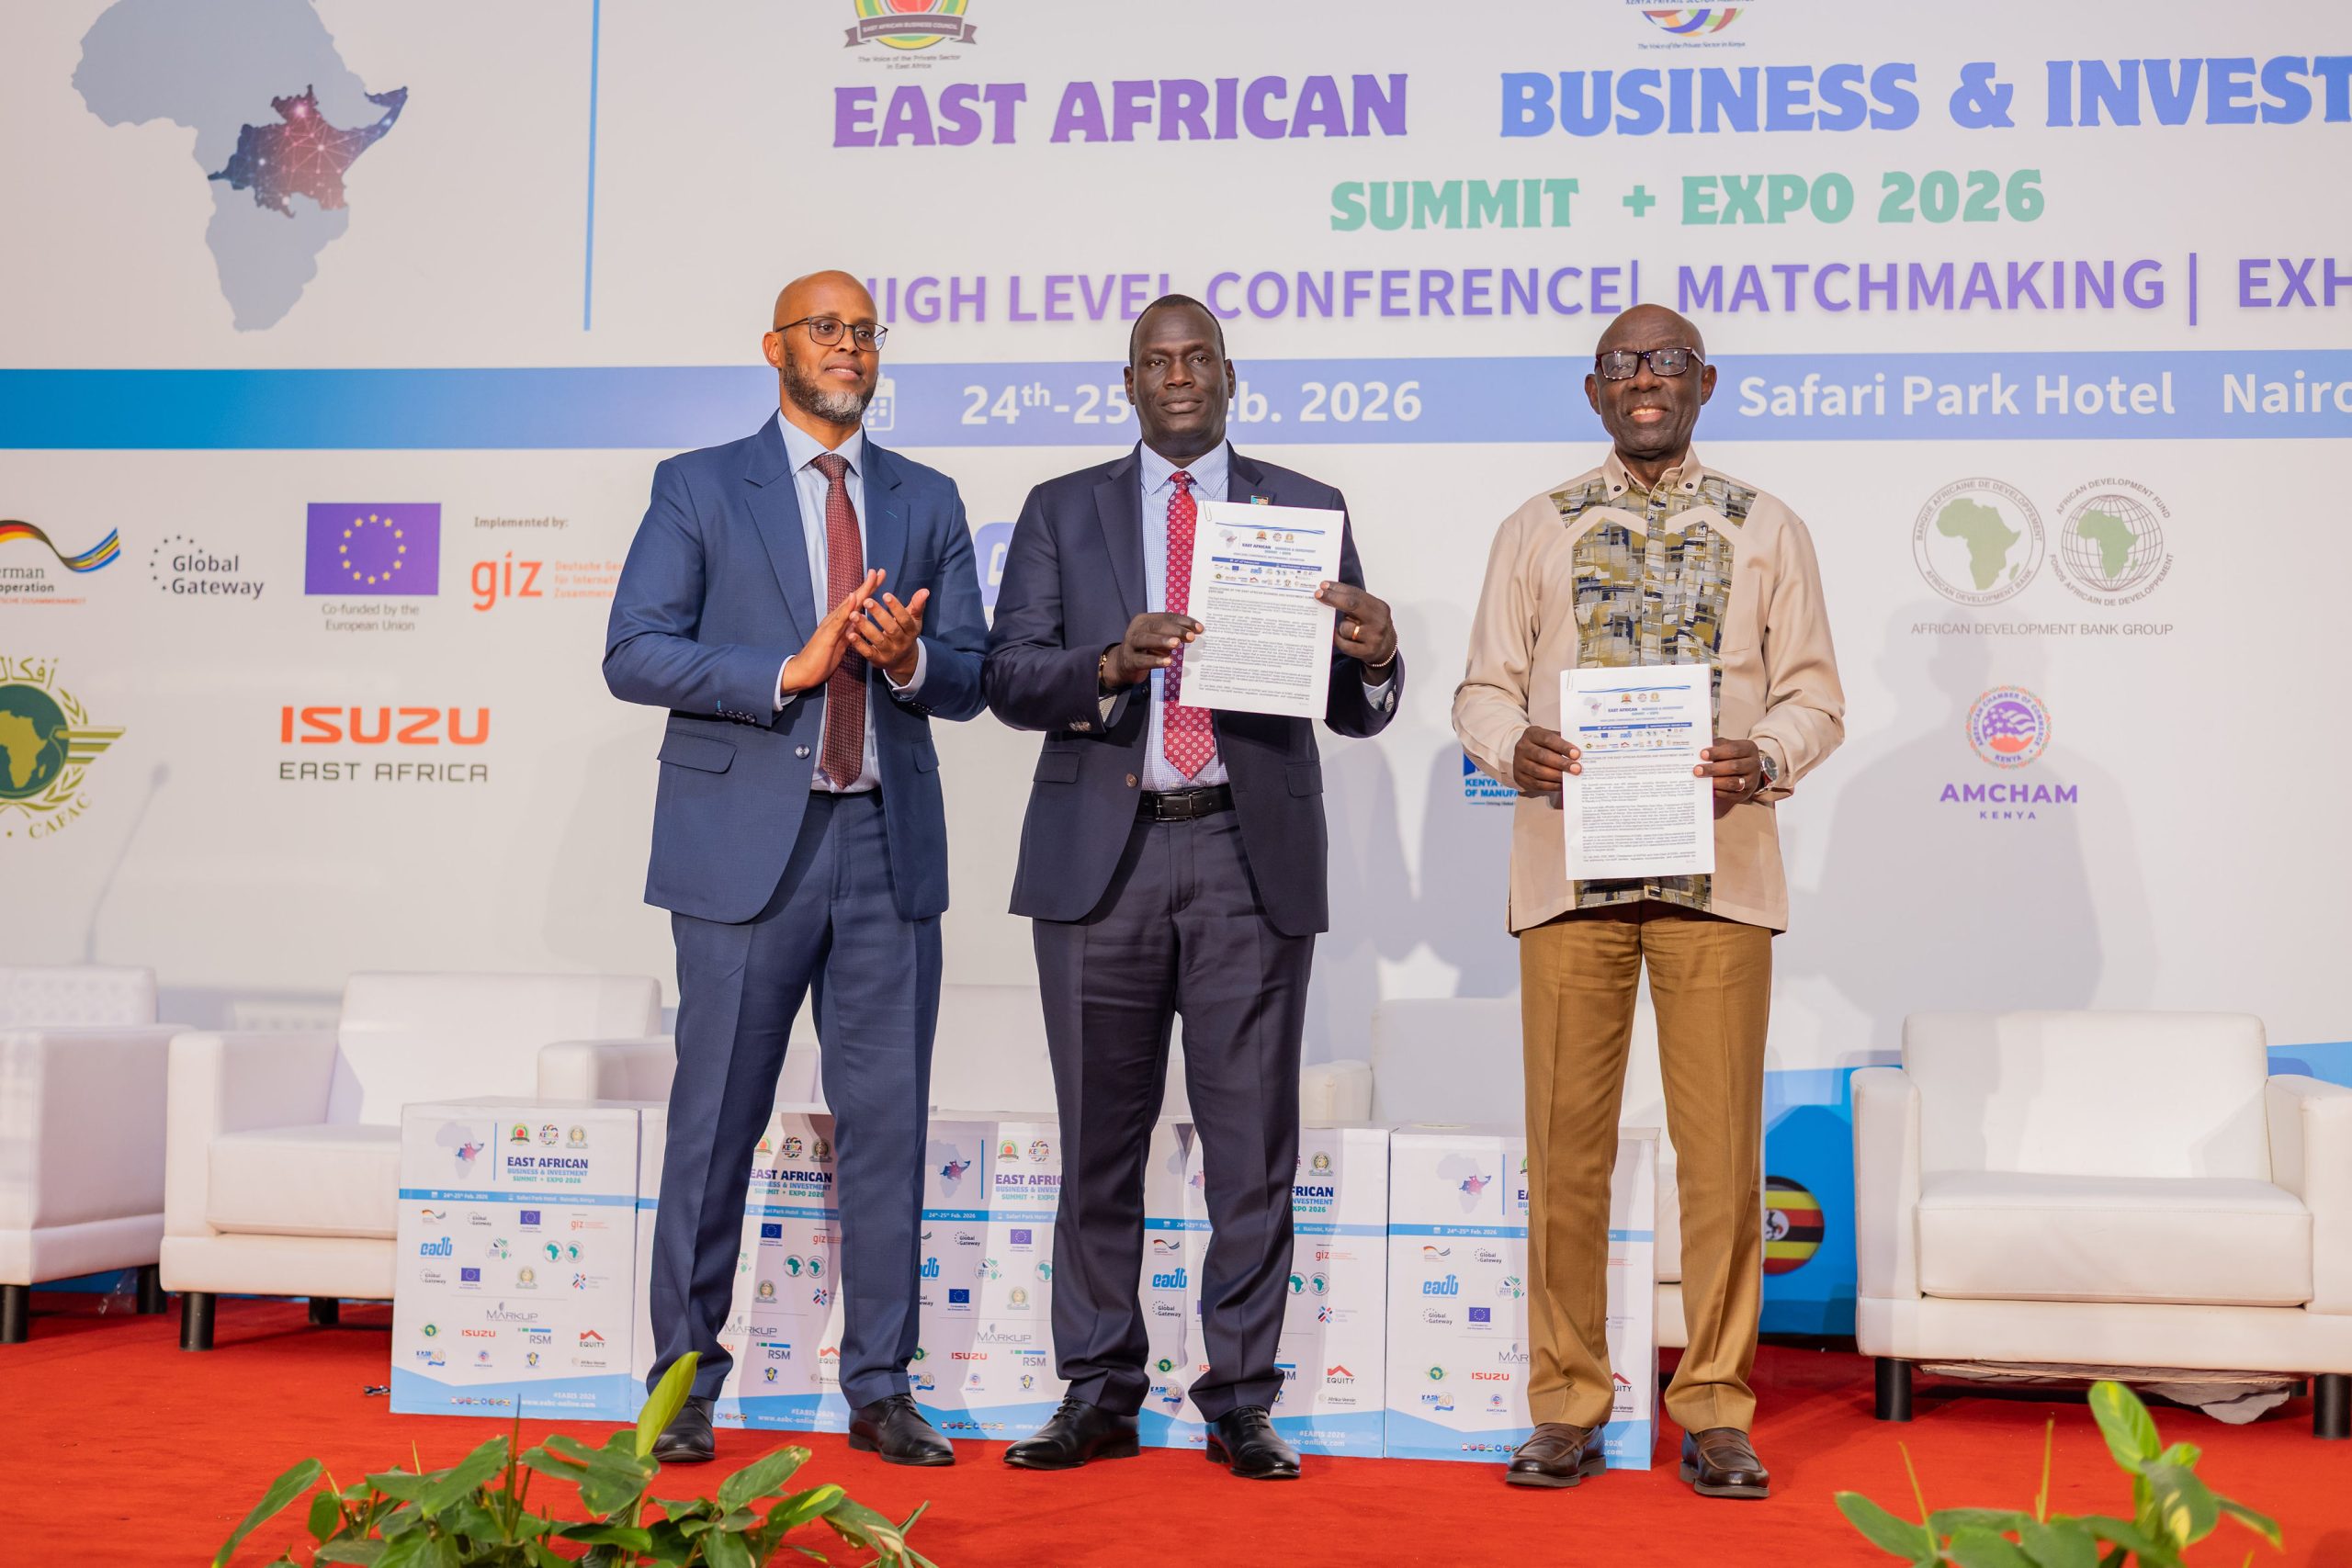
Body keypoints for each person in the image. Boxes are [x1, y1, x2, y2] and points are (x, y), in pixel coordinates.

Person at [983, 296, 1404, 1481]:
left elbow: (1352, 700)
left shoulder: (1304, 510)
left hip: (1242, 854)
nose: (1180, 377)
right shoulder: (1062, 510)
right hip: (1098, 864)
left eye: (1199, 358)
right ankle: (1098, 1390)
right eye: (1157, 362)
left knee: (1251, 1145)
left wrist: (1373, 654)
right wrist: (1108, 662)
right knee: (1096, 1144)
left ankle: (1241, 1398)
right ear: (1128, 383)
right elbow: (1011, 675)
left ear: (1231, 374)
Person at [1453, 304, 1845, 1498]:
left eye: (1666, 363)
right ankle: (1566, 1404)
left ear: (1705, 382)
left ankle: (1718, 1406)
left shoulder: (1771, 528)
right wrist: (1509, 745)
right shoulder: (1536, 529)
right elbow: (1479, 688)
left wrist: (1763, 757)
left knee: (1719, 1159)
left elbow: (1817, 695)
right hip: (1569, 879)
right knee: (1564, 1157)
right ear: (1591, 390)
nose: (1645, 381)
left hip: (1718, 878)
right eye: (1624, 365)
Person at [605, 270, 988, 1467]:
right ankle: (684, 1387)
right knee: (716, 1121)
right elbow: (634, 651)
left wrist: (913, 658)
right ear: (775, 345)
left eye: (866, 333)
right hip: (742, 857)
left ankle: (881, 1388)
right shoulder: (700, 485)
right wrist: (790, 664)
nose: (849, 348)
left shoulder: (928, 498)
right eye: (827, 329)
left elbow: (972, 674)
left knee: (887, 1126)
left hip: (885, 846)